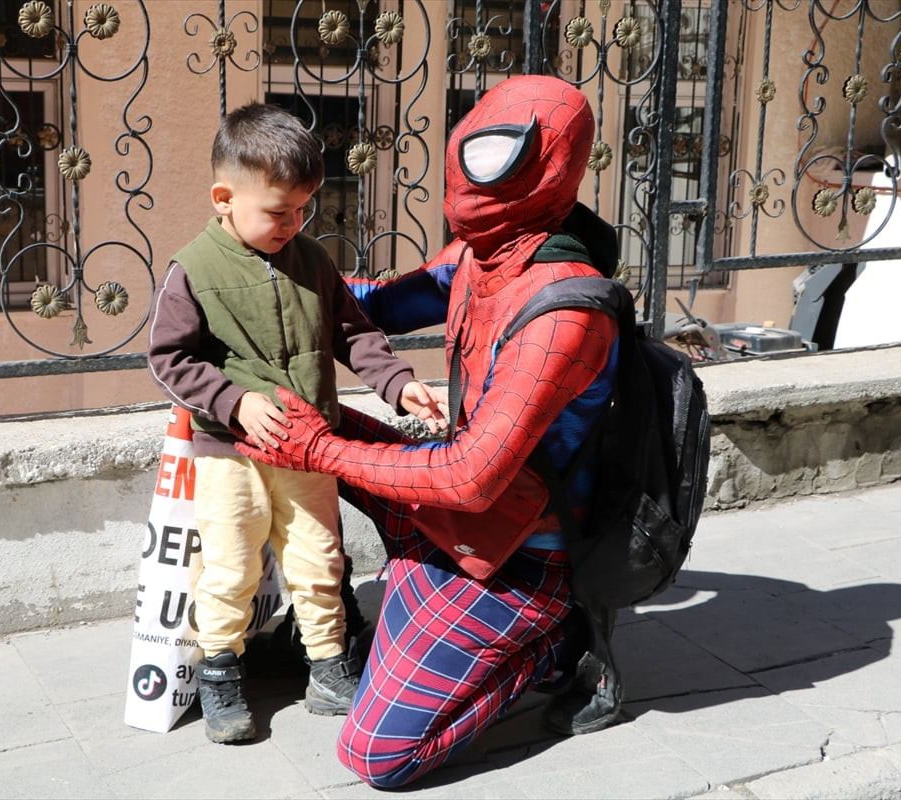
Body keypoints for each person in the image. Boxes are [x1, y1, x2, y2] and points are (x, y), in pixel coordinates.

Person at [236, 76, 624, 787]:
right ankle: (410, 594)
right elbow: (373, 305)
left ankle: (557, 645)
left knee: (378, 755)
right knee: (286, 423)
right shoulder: (483, 253)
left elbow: (472, 478)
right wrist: (235, 283)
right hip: (453, 502)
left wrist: (320, 449)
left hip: (515, 552)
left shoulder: (565, 310)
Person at [146, 102, 447, 745]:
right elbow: (168, 359)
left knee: (319, 559)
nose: (292, 224)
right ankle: (221, 676)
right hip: (229, 451)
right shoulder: (192, 269)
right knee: (228, 567)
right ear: (224, 198)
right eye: (278, 212)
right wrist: (233, 402)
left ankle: (328, 668)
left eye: (302, 209)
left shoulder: (313, 260)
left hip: (312, 450)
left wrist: (400, 385)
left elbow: (354, 334)